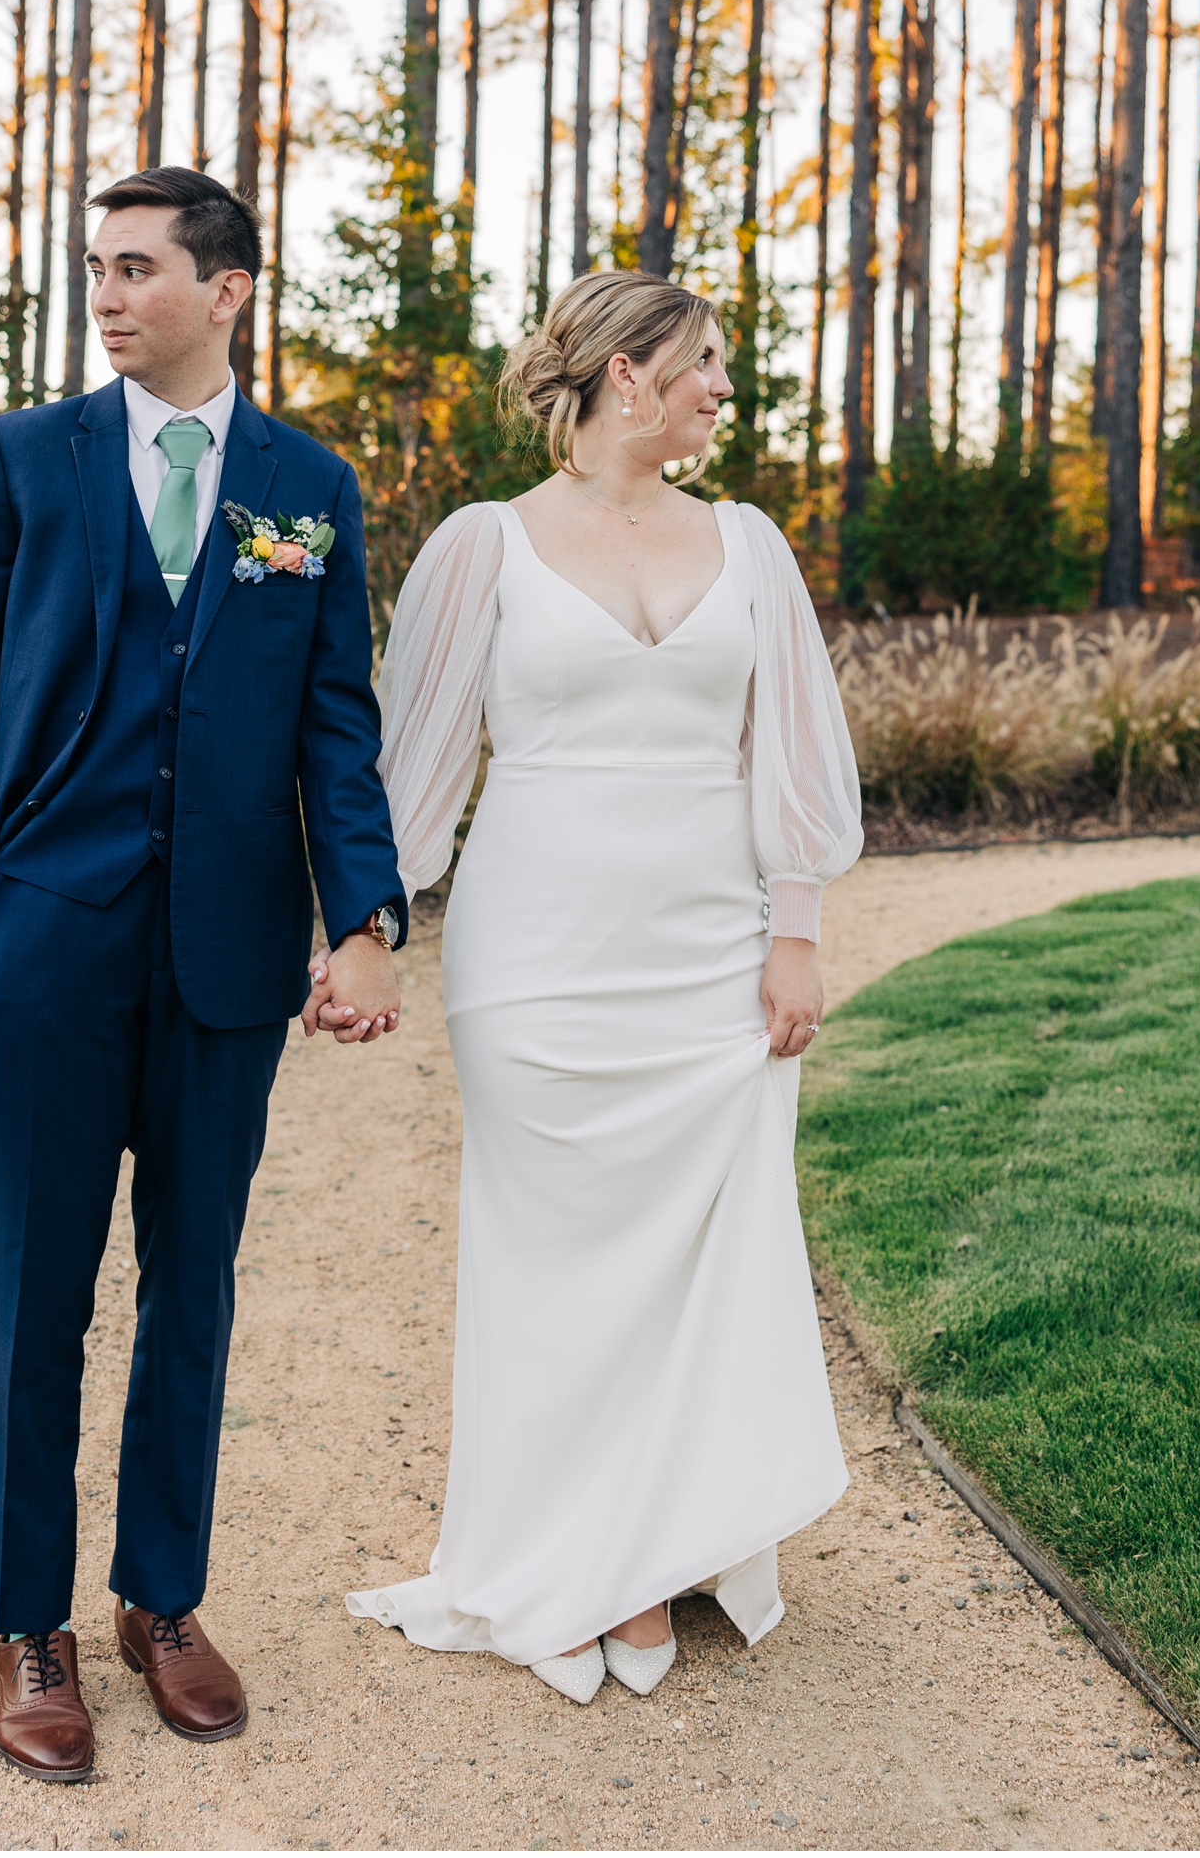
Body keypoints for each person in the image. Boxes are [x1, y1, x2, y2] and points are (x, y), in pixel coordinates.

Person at [0, 166, 407, 1783]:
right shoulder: (24, 463)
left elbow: (338, 725)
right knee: (41, 1300)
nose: (107, 297)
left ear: (229, 287)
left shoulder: (304, 486)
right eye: (97, 271)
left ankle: (161, 1602)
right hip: (42, 950)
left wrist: (365, 919)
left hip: (224, 963)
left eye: (136, 270)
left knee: (192, 1292)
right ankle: (26, 1627)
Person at [334, 269, 863, 1703]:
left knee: (694, 1253)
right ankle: (564, 1552)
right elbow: (417, 762)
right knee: (553, 1255)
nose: (721, 393)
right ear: (629, 373)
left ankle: (649, 1551)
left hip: (706, 953)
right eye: (705, 367)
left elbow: (792, 750)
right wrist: (367, 923)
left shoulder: (748, 544)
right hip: (538, 957)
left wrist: (795, 929)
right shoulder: (482, 548)